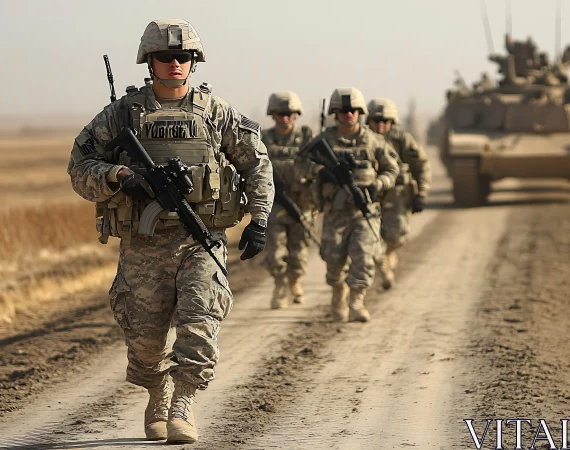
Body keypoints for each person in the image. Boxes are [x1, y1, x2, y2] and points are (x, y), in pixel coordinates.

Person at [67, 19, 273, 444]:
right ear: (150, 61)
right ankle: (157, 390)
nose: (175, 63)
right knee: (143, 346)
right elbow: (79, 168)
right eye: (166, 57)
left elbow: (257, 163)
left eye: (184, 56)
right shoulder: (121, 115)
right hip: (143, 246)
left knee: (199, 326)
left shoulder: (215, 112)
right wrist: (118, 174)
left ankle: (182, 403)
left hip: (201, 240)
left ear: (193, 61)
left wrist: (260, 219)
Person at [314, 87, 399, 322]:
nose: (348, 114)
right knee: (333, 263)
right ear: (335, 112)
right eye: (343, 111)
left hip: (366, 212)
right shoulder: (324, 140)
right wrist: (322, 172)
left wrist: (379, 184)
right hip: (335, 213)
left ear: (360, 112)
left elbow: (392, 168)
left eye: (352, 110)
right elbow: (301, 165)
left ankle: (356, 301)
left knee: (363, 258)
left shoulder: (373, 140)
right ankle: (338, 291)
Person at [366, 98, 431, 289]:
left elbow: (421, 165)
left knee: (395, 237)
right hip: (369, 196)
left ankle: (387, 255)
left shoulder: (402, 141)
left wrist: (422, 192)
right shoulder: (362, 140)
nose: (380, 125)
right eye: (376, 121)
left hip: (397, 197)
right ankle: (383, 266)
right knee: (370, 235)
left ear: (392, 123)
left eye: (385, 121)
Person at [260, 91, 316, 309]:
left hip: (302, 202)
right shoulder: (264, 139)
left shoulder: (306, 137)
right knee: (274, 252)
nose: (285, 118)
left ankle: (295, 282)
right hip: (274, 203)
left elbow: (316, 165)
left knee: (299, 252)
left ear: (296, 115)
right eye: (280, 114)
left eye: (289, 114)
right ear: (273, 115)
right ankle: (279, 285)